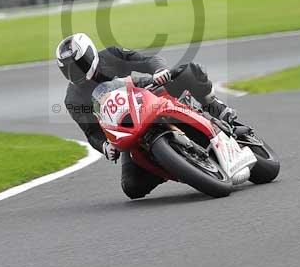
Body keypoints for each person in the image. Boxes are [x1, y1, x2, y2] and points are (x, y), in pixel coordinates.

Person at [57, 32, 245, 199]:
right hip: (129, 128)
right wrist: (105, 146)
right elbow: (91, 132)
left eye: (78, 65)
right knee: (132, 187)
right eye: (68, 70)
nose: (75, 72)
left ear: (91, 54)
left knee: (187, 71)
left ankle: (215, 106)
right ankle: (174, 164)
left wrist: (159, 71)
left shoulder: (113, 55)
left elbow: (146, 60)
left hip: (150, 97)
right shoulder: (72, 99)